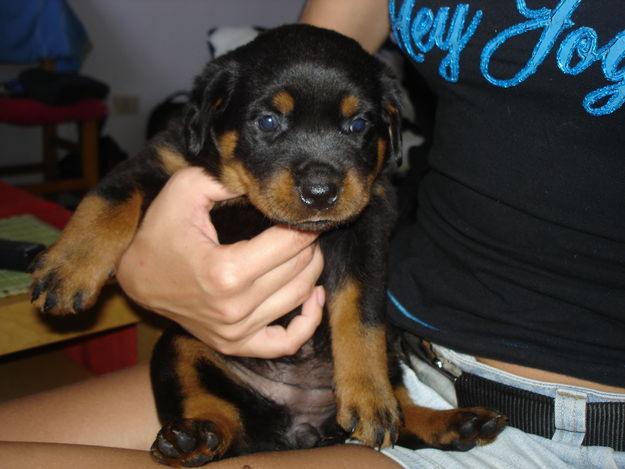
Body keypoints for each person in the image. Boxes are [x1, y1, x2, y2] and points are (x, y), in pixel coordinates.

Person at [1, 0, 624, 467]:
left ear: (385, 127)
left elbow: (360, 278)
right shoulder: (203, 135)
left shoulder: (367, 201)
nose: (321, 180)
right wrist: (126, 256)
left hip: (409, 381)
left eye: (356, 132)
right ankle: (213, 419)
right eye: (271, 121)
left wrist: (366, 374)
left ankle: (393, 412)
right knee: (171, 352)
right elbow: (322, 51)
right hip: (374, 352)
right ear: (211, 118)